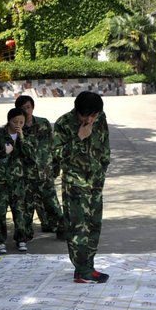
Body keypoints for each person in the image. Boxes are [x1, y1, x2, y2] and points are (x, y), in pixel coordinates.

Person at [54, 91, 110, 283]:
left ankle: (88, 267)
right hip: (75, 184)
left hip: (95, 182)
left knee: (94, 225)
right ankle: (82, 269)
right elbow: (57, 156)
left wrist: (102, 170)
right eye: (87, 116)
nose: (91, 119)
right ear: (78, 112)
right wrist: (79, 138)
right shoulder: (63, 124)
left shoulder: (99, 118)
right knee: (78, 228)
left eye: (94, 115)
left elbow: (105, 147)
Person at [15, 95, 65, 239]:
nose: (26, 111)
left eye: (28, 107)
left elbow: (52, 145)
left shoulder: (43, 123)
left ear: (33, 107)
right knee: (27, 205)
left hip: (44, 171)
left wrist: (56, 166)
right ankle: (25, 233)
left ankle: (62, 229)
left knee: (52, 203)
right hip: (26, 174)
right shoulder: (16, 127)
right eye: (23, 108)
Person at [0, 108, 33, 252]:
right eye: (15, 121)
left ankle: (21, 239)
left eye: (21, 122)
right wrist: (3, 152)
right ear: (8, 120)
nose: (18, 124)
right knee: (0, 211)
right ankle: (0, 241)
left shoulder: (25, 134)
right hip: (1, 179)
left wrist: (21, 137)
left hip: (18, 180)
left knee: (19, 211)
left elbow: (30, 157)